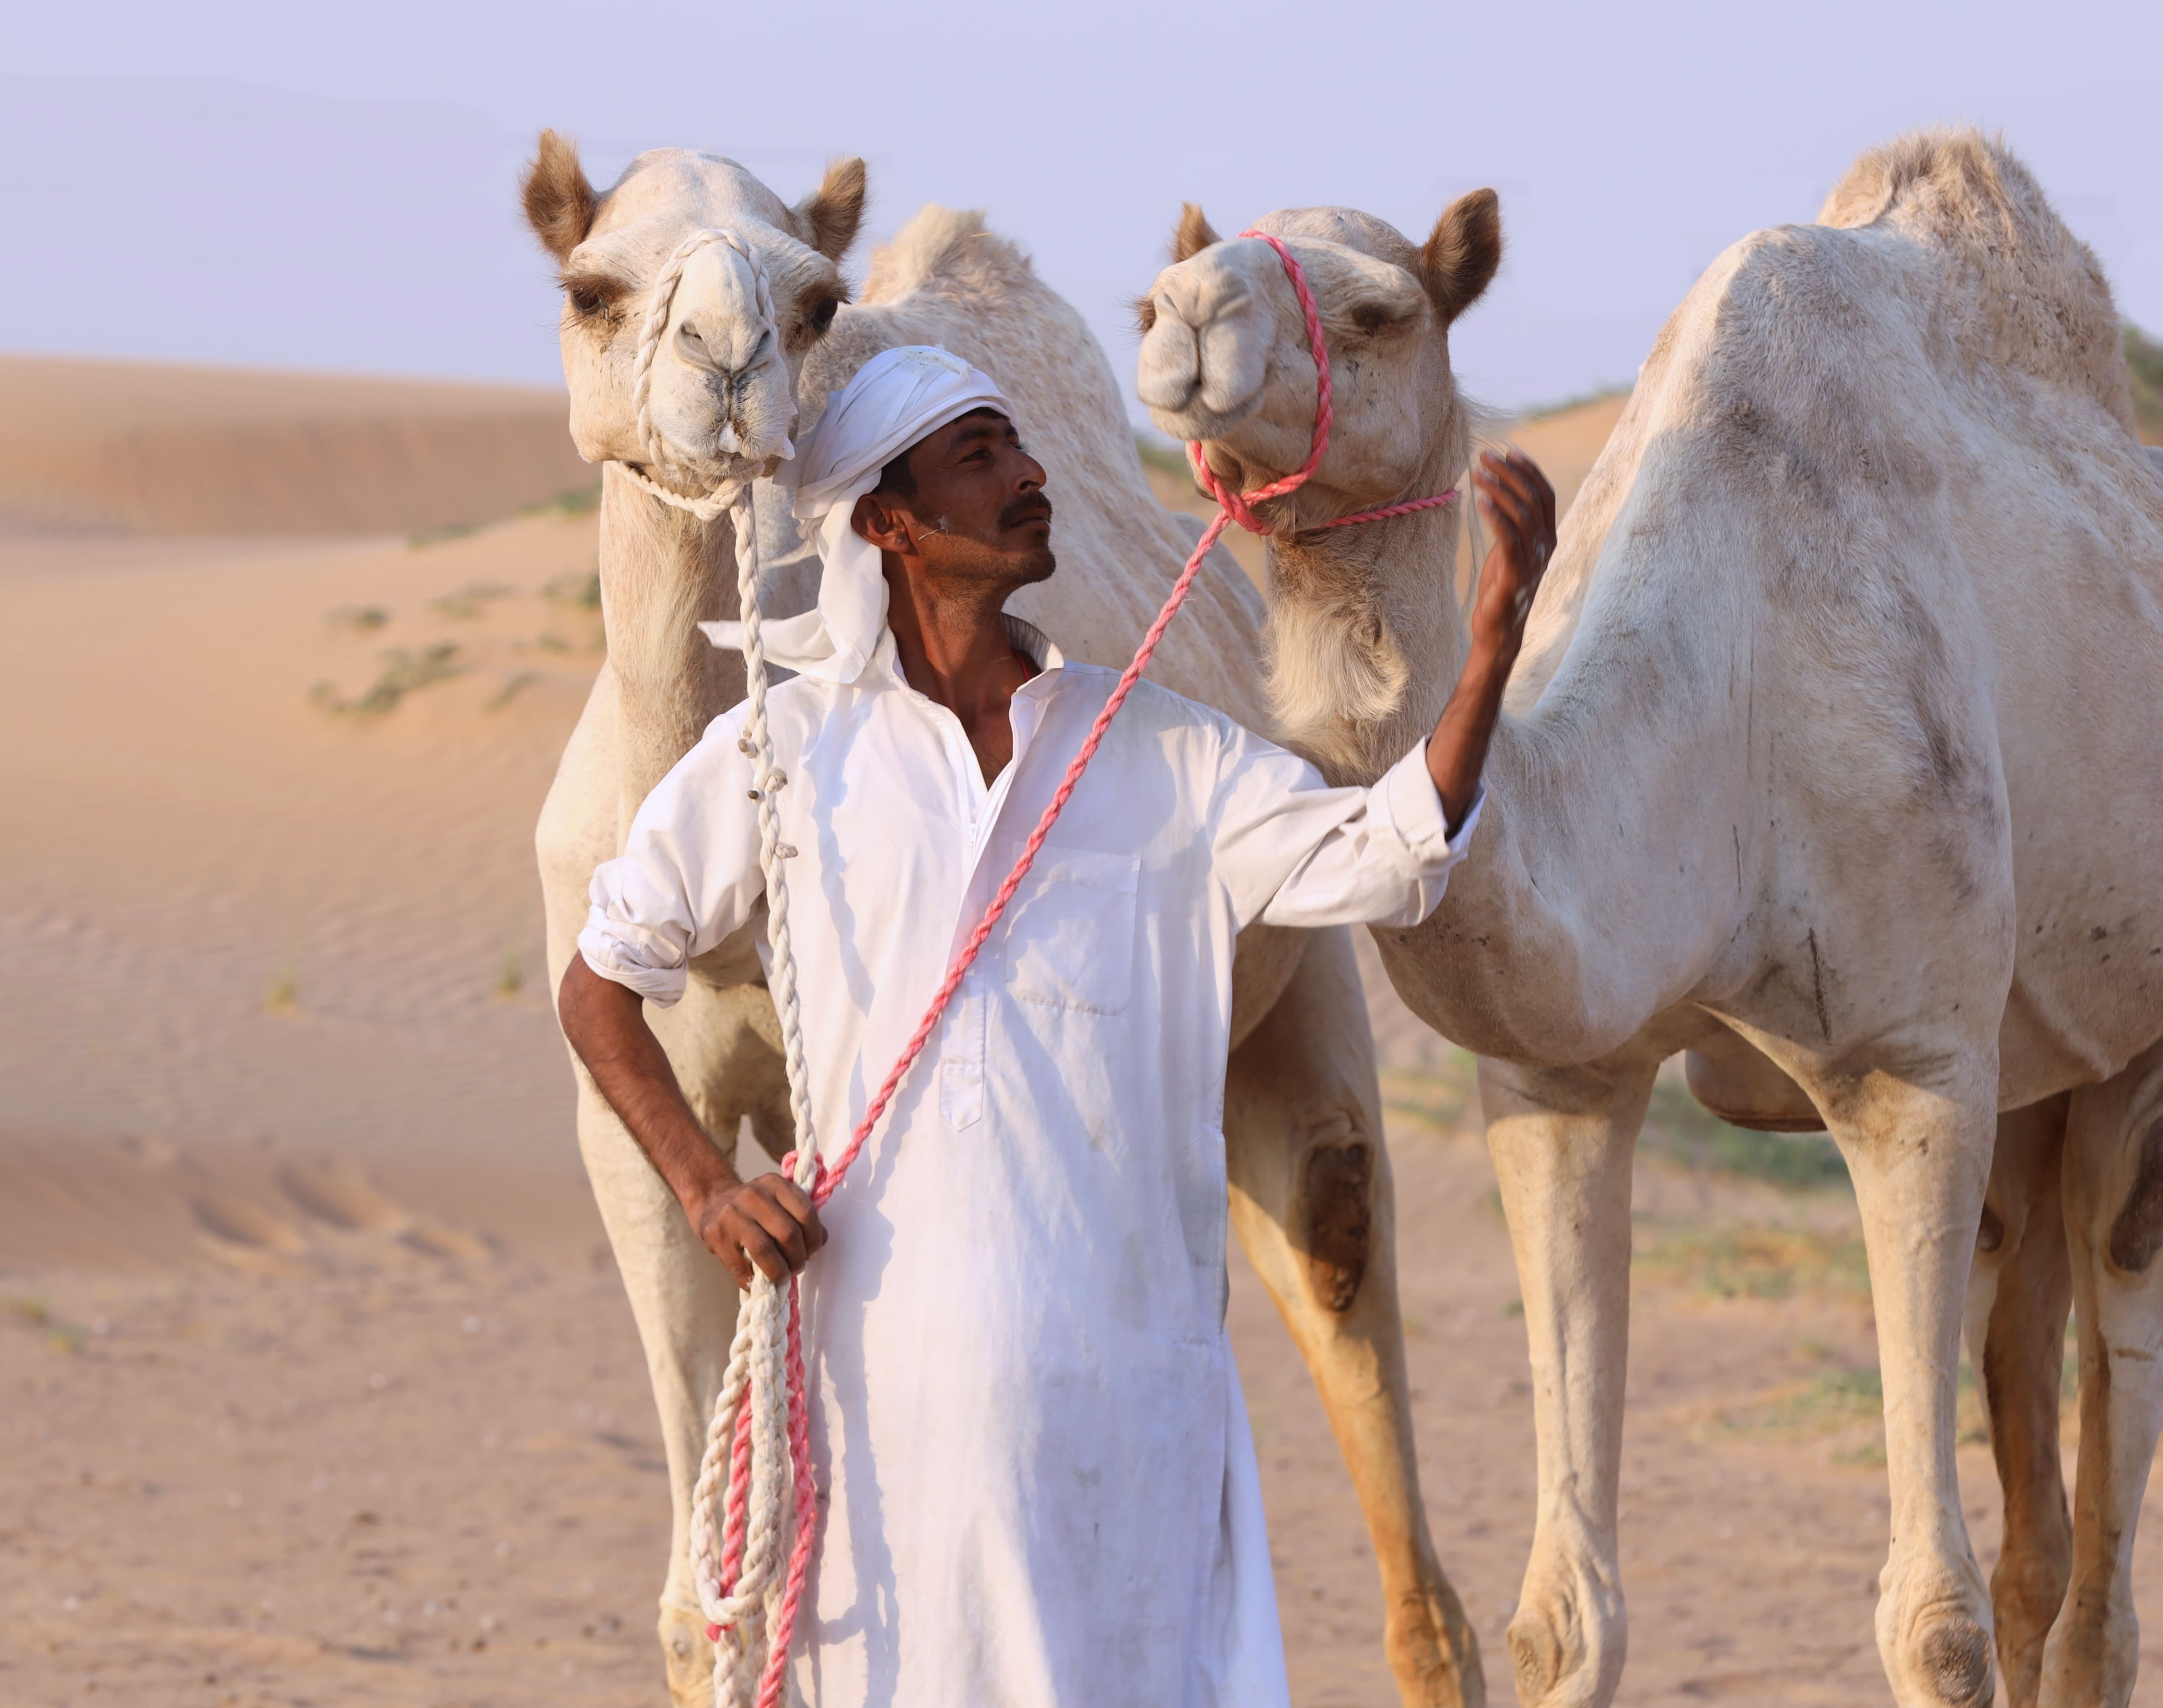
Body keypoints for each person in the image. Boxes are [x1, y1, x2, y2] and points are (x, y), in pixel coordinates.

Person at [558, 345, 1554, 1705]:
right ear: (891, 522)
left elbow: (1391, 855)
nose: (1030, 474)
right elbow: (601, 978)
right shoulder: (782, 755)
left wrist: (1491, 643)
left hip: (1131, 1388)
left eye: (1019, 448)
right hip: (890, 1387)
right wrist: (705, 1187)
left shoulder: (1156, 750)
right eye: (979, 456)